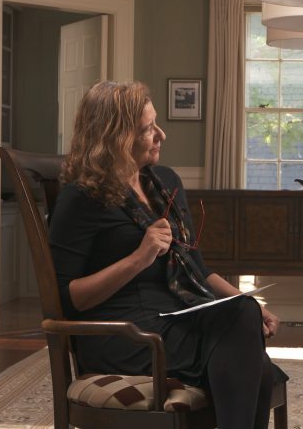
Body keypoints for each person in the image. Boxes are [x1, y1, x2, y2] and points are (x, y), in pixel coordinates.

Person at [48, 80, 285, 429]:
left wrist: (253, 307)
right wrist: (138, 258)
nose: (161, 134)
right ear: (116, 138)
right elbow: (68, 299)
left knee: (244, 318)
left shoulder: (165, 182)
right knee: (255, 368)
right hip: (123, 333)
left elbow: (196, 269)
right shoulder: (80, 198)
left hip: (175, 316)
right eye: (148, 129)